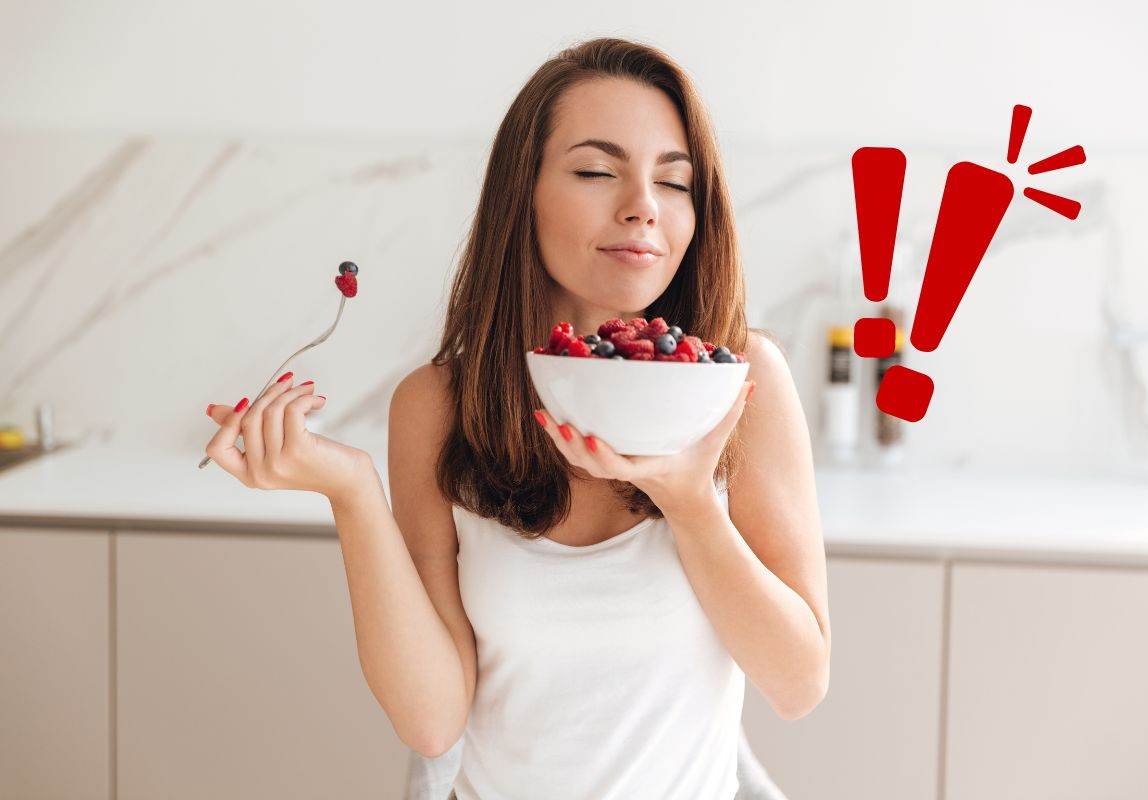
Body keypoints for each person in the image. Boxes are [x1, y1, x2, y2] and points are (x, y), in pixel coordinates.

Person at [204, 36, 830, 800]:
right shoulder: (440, 407)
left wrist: (694, 505)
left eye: (674, 182)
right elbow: (434, 723)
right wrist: (352, 491)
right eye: (597, 171)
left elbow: (799, 684)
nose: (641, 206)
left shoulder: (740, 384)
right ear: (522, 194)